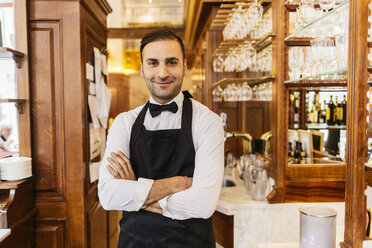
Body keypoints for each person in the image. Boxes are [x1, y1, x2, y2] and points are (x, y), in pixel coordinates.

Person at [98, 29, 224, 248]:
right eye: (153, 62)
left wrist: (136, 193)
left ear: (184, 66)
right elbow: (109, 195)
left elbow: (204, 203)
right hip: (135, 242)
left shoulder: (207, 122)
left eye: (172, 62)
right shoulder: (124, 122)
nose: (163, 73)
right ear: (142, 69)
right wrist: (175, 184)